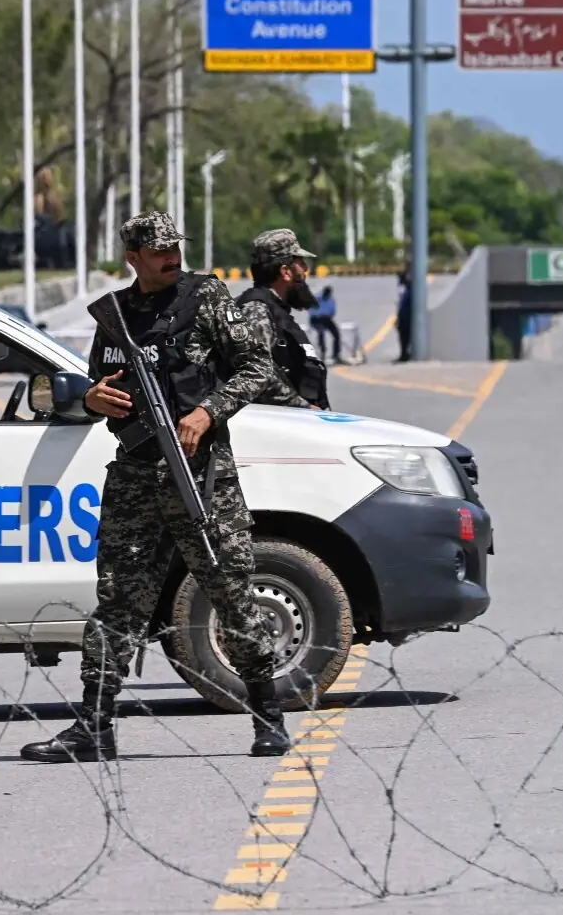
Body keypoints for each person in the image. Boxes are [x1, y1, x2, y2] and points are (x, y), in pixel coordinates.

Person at [19, 211, 290, 764]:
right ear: (133, 257)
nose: (172, 257)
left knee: (231, 591)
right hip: (137, 474)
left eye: (175, 247)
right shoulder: (116, 314)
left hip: (200, 474)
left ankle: (269, 719)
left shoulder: (206, 300)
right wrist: (93, 399)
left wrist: (208, 413)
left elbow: (258, 367)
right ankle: (94, 726)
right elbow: (98, 384)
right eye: (160, 250)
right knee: (118, 600)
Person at [237, 229, 330, 410]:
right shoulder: (256, 310)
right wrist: (304, 407)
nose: (305, 269)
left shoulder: (276, 310)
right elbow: (256, 375)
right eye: (300, 263)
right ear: (285, 272)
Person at [309, 285, 342, 364]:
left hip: (326, 319)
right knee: (321, 332)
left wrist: (328, 315)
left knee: (336, 334)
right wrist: (319, 314)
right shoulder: (316, 298)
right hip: (316, 319)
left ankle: (336, 355)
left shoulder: (331, 300)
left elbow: (332, 312)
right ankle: (322, 353)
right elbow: (311, 310)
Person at [396, 270, 413, 363]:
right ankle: (403, 354)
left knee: (405, 337)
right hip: (403, 316)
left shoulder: (408, 290)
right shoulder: (405, 289)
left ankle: (404, 355)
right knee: (403, 337)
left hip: (406, 317)